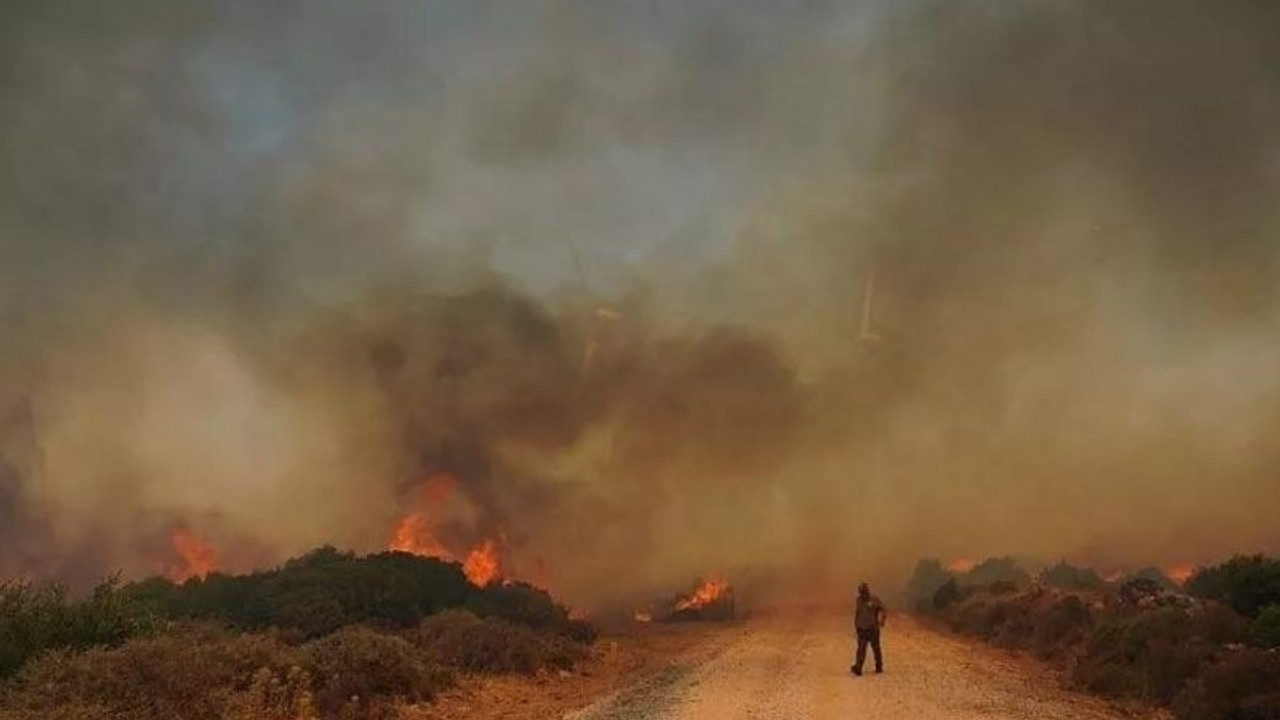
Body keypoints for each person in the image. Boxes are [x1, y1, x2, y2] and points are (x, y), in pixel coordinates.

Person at [851, 582, 886, 676]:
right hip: (862, 628)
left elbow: (883, 609)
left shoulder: (874, 599)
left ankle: (879, 666)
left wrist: (882, 620)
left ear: (867, 591)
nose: (862, 594)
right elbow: (857, 613)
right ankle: (858, 667)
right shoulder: (858, 601)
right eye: (861, 592)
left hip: (872, 628)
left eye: (863, 591)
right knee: (861, 648)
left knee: (876, 648)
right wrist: (856, 625)